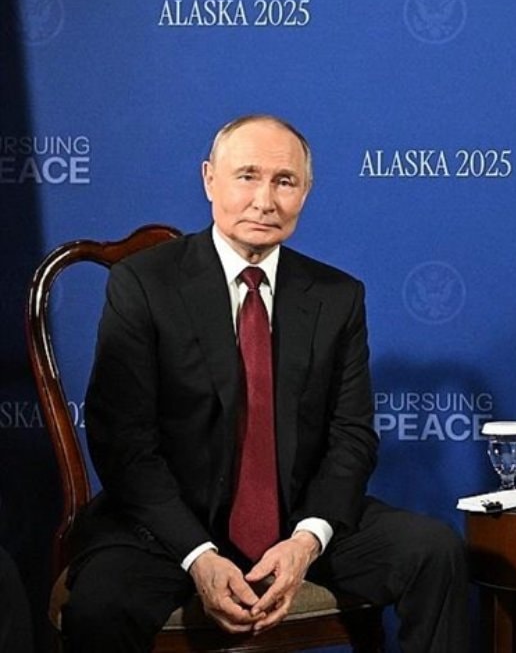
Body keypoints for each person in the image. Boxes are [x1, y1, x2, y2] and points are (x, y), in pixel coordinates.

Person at [62, 115, 468, 652]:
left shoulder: (337, 296)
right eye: (247, 176)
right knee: (101, 604)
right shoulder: (144, 284)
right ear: (209, 180)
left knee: (434, 551)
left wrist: (306, 541)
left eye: (285, 181)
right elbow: (124, 444)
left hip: (296, 520)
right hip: (166, 530)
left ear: (306, 192)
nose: (265, 201)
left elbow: (352, 436)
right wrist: (198, 555)